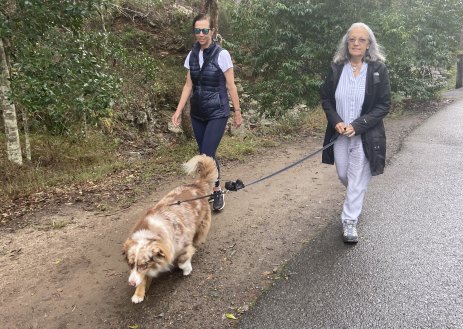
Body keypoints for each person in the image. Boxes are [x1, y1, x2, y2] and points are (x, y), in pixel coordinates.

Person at [320, 22, 391, 243]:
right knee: (344, 174)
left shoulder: (378, 69)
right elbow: (326, 99)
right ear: (346, 43)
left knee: (357, 176)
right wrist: (337, 122)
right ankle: (356, 194)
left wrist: (359, 125)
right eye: (352, 39)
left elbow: (384, 105)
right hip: (339, 135)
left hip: (365, 135)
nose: (356, 43)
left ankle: (349, 221)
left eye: (361, 40)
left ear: (369, 44)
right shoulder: (336, 68)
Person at [172, 13, 242, 212]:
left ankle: (216, 190)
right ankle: (211, 189)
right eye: (197, 31)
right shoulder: (192, 55)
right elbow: (188, 85)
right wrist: (178, 111)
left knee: (207, 154)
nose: (201, 34)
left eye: (205, 30)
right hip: (198, 113)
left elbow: (231, 85)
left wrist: (237, 111)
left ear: (212, 31)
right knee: (205, 153)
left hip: (217, 112)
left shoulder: (222, 54)